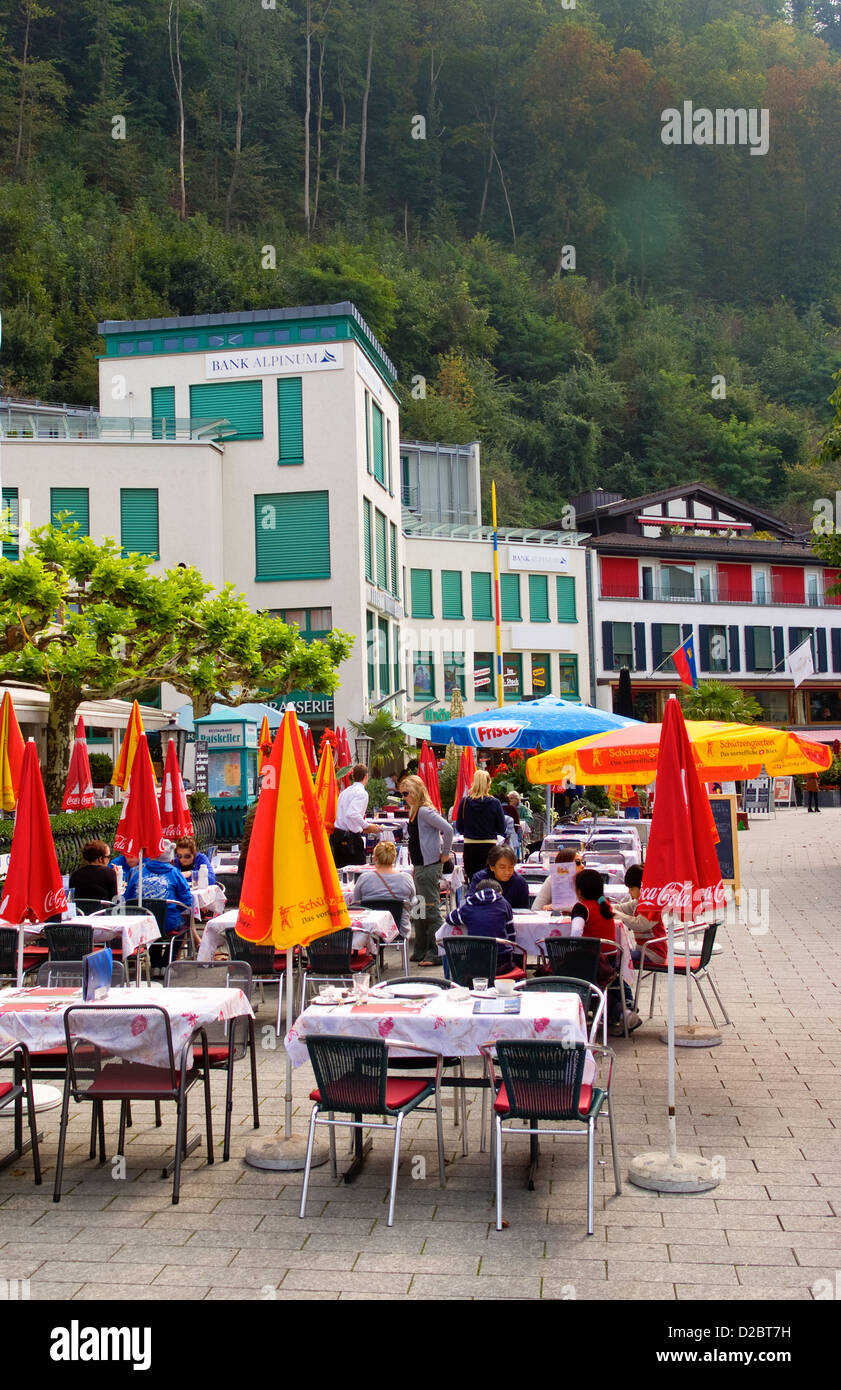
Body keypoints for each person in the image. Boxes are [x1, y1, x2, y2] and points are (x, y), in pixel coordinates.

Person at [572, 867, 641, 1035]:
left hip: (592, 961)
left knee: (564, 972)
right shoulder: (605, 905)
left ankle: (621, 1012)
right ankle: (624, 1008)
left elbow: (575, 932)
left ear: (579, 891)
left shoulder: (581, 908)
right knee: (601, 985)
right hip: (610, 960)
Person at [401, 774, 454, 965]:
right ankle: (422, 949)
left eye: (406, 793)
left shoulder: (423, 811)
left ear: (415, 792)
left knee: (429, 910)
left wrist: (445, 853)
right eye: (402, 794)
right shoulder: (416, 811)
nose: (404, 797)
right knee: (419, 909)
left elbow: (448, 829)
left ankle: (436, 952)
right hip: (421, 866)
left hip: (429, 866)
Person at [444, 878, 516, 971]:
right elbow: (511, 931)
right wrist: (513, 948)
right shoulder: (503, 903)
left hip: (476, 963)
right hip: (502, 962)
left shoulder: (470, 904)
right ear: (499, 892)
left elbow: (450, 919)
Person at [124, 841, 192, 936]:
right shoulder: (175, 873)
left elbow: (127, 898)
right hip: (168, 924)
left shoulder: (138, 873)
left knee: (156, 928)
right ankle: (172, 951)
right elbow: (187, 901)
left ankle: (156, 950)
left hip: (142, 924)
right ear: (171, 859)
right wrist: (173, 910)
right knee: (183, 928)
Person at [352, 841, 415, 937]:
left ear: (375, 857)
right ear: (394, 857)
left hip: (369, 931)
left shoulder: (364, 878)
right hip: (399, 930)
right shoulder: (406, 878)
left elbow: (355, 903)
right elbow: (413, 901)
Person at [456, 770, 505, 880]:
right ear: (488, 784)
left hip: (470, 848)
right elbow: (502, 828)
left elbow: (459, 827)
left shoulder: (464, 802)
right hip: (489, 847)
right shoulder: (495, 803)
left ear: (474, 783)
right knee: (490, 881)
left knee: (473, 881)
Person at [330, 764, 380, 868]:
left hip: (338, 834)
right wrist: (367, 826)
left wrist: (362, 826)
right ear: (366, 776)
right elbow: (352, 814)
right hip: (350, 838)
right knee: (358, 871)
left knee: (341, 871)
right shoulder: (362, 793)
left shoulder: (345, 792)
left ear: (353, 777)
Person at [468, 844, 530, 909]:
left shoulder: (520, 883)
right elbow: (470, 903)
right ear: (492, 867)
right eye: (502, 867)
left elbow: (524, 910)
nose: (507, 872)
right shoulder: (480, 879)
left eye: (511, 867)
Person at [69, 840, 118, 904]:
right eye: (108, 857)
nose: (109, 859)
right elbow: (115, 900)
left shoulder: (75, 874)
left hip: (80, 912)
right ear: (101, 859)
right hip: (102, 912)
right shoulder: (109, 873)